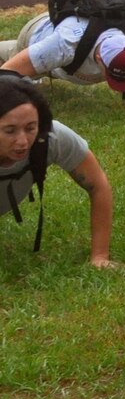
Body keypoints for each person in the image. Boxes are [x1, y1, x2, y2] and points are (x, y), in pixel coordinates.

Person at [0, 74, 113, 268]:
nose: (22, 141)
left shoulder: (51, 137)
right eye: (10, 131)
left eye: (30, 128)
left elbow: (99, 186)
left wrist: (100, 256)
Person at [2, 12, 125, 112]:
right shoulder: (64, 44)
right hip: (37, 31)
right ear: (99, 59)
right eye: (113, 75)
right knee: (21, 72)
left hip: (63, 47)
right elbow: (7, 72)